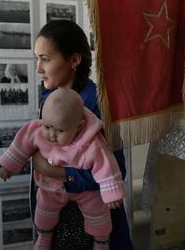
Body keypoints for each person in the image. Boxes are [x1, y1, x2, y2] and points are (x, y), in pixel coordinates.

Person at [30, 20, 134, 249]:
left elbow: (116, 171)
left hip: (88, 230)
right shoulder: (50, 96)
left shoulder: (98, 106)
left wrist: (52, 171)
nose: (38, 68)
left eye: (45, 59)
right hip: (55, 220)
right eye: (37, 59)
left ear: (74, 60)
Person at [0, 88, 125, 249]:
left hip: (84, 192)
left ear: (79, 126)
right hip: (51, 187)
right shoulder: (37, 130)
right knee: (44, 205)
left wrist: (112, 192)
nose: (51, 135)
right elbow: (21, 143)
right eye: (47, 126)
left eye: (59, 130)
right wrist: (8, 165)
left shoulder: (92, 141)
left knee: (97, 209)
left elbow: (105, 164)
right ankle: (44, 234)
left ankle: (101, 240)